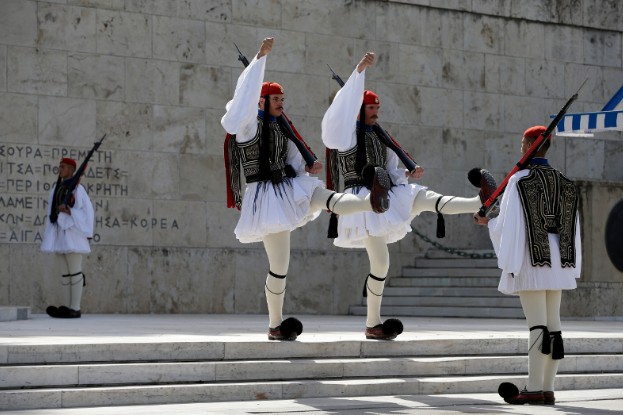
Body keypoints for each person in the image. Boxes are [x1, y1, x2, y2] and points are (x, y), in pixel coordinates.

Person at [221, 38, 391, 341]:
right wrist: (260, 59)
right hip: (266, 196)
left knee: (326, 197)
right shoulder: (247, 126)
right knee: (279, 267)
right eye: (276, 100)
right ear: (260, 102)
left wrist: (307, 167)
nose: (281, 104)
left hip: (290, 186)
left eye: (281, 100)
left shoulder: (281, 127)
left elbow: (293, 157)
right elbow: (243, 98)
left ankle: (372, 203)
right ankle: (275, 324)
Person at [321, 52, 497, 340]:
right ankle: (373, 323)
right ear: (359, 109)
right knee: (381, 264)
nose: (377, 112)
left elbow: (391, 167)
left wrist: (407, 174)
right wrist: (358, 73)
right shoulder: (346, 135)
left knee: (425, 198)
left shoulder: (380, 134)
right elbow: (337, 114)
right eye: (372, 108)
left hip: (387, 190)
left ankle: (479, 202)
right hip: (362, 201)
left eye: (378, 107)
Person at [474, 125, 582, 406]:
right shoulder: (564, 181)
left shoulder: (520, 180)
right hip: (560, 259)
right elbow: (573, 226)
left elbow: (511, 225)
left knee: (538, 325)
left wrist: (490, 222)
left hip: (532, 258)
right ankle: (547, 389)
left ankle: (533, 389)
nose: (520, 147)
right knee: (554, 326)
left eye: (523, 142)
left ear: (532, 144)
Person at [41, 157, 95, 318]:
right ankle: (67, 306)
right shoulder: (56, 188)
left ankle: (75, 307)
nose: (60, 169)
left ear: (72, 170)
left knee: (74, 270)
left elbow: (88, 212)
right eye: (60, 167)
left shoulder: (78, 190)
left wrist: (70, 211)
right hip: (59, 234)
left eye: (63, 167)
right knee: (65, 272)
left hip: (73, 234)